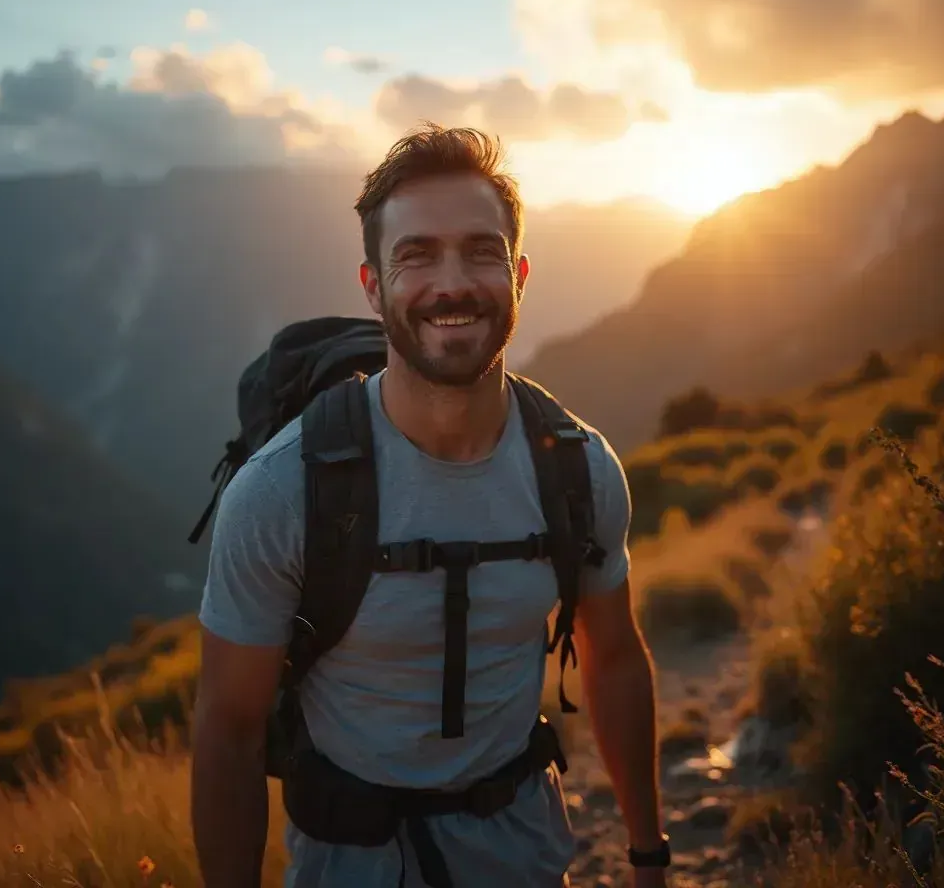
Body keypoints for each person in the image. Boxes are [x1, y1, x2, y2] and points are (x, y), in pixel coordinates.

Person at [191, 124, 669, 887]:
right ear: (373, 287)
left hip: (529, 863)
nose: (453, 283)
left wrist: (648, 857)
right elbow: (228, 730)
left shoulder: (579, 470)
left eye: (481, 251)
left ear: (518, 274)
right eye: (416, 255)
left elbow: (613, 659)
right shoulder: (283, 491)